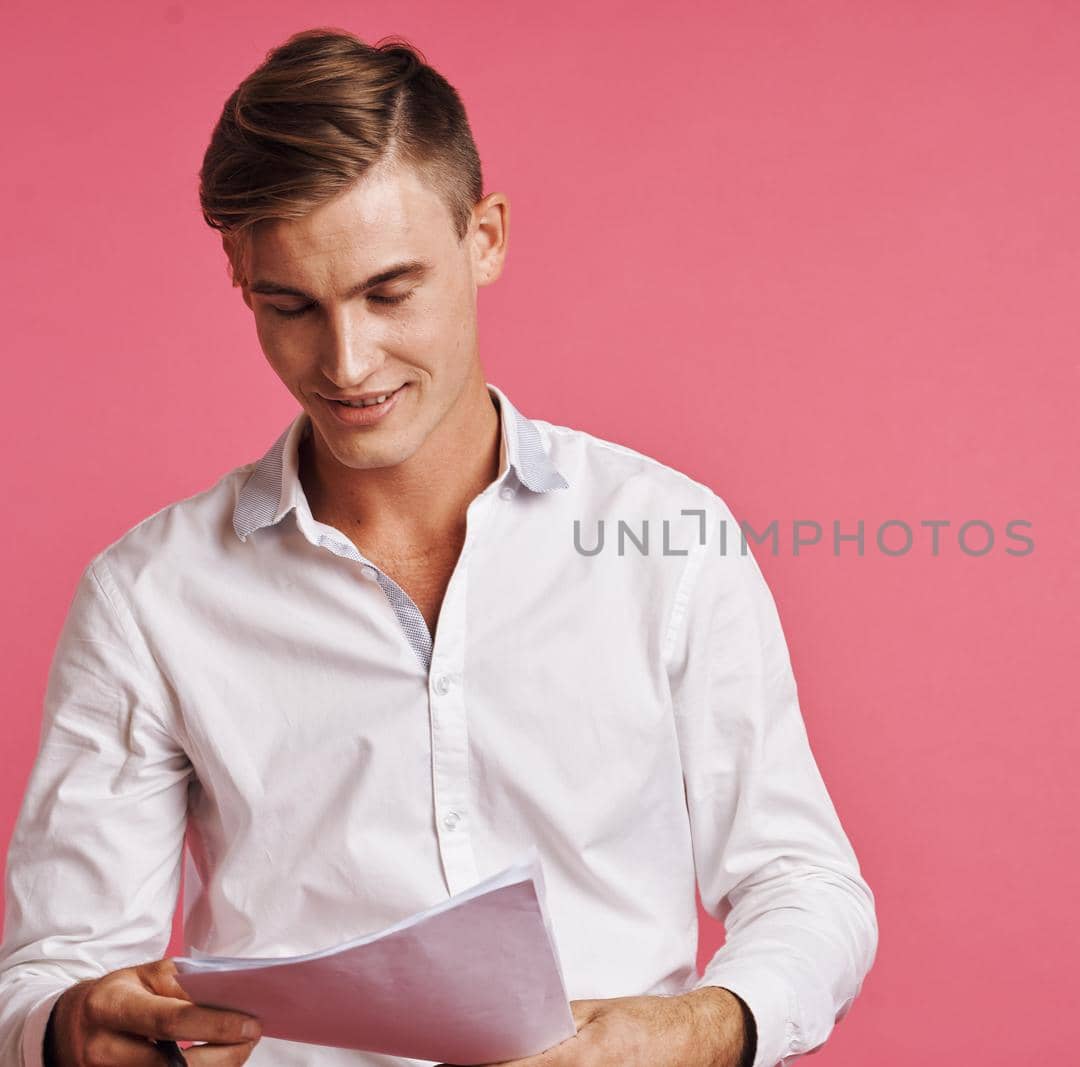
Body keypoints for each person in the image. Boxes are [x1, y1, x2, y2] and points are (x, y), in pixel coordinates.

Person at [0, 27, 877, 1067]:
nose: (345, 360)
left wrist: (701, 1028)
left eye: (389, 290)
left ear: (486, 238)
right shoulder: (149, 595)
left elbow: (804, 881)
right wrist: (69, 1030)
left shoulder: (671, 539)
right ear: (239, 275)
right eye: (290, 306)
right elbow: (51, 967)